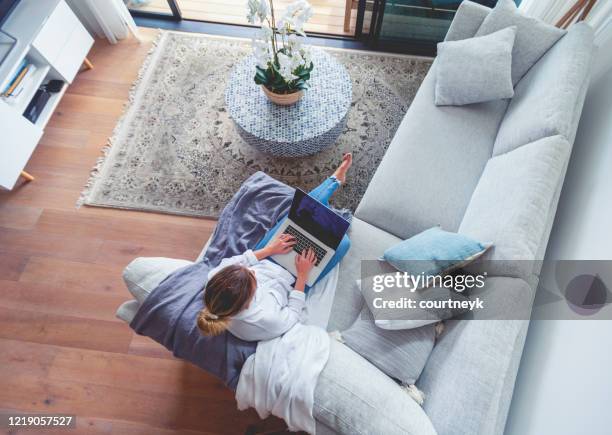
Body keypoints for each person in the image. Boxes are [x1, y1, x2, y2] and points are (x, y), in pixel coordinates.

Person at [197, 154, 353, 341]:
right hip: (294, 279)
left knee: (304, 211)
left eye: (247, 272)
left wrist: (270, 250)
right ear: (248, 303)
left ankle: (336, 179)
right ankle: (330, 192)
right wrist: (303, 275)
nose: (253, 272)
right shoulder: (267, 321)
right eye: (252, 278)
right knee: (343, 242)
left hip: (270, 255)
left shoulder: (214, 281)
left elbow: (242, 261)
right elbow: (293, 313)